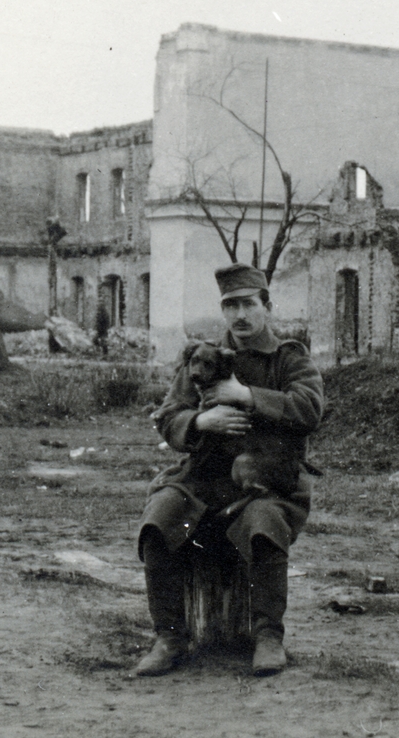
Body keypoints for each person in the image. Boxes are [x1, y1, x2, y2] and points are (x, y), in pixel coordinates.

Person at [133, 263, 323, 677]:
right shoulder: (201, 359)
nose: (239, 315)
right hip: (202, 480)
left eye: (248, 304)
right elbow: (169, 416)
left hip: (267, 479)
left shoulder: (289, 357)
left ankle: (268, 636)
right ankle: (169, 637)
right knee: (159, 518)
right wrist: (201, 422)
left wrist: (246, 395)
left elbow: (310, 408)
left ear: (266, 307)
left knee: (264, 523)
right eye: (230, 306)